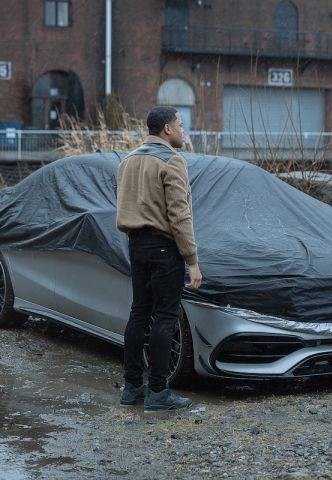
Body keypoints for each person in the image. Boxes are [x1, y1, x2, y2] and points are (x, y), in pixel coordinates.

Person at [116, 106, 202, 410]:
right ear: (166, 129)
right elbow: (180, 215)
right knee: (165, 317)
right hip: (165, 248)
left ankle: (131, 388)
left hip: (136, 245)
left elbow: (123, 206)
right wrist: (192, 259)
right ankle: (158, 392)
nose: (183, 130)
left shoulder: (128, 160)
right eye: (180, 125)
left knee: (139, 312)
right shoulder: (172, 161)